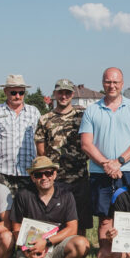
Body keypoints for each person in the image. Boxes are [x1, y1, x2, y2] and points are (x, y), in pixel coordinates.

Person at [79, 67, 130, 258]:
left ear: (122, 83)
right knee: (105, 218)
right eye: (108, 82)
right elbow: (86, 144)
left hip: (128, 171)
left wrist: (119, 162)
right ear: (103, 83)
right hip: (100, 172)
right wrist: (105, 164)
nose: (112, 86)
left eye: (116, 82)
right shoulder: (92, 110)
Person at [8, 156, 91, 258]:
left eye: (48, 173)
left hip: (57, 246)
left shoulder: (66, 195)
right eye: (38, 174)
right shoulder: (23, 195)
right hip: (31, 249)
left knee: (82, 244)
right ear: (32, 177)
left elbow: (72, 228)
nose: (44, 178)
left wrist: (46, 242)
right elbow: (16, 228)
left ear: (55, 174)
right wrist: (26, 249)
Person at [35, 78, 92, 236]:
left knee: (80, 222)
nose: (64, 96)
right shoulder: (45, 119)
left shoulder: (82, 117)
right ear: (55, 94)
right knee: (55, 221)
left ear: (72, 94)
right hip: (56, 179)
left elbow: (90, 143)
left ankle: (79, 249)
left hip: (79, 177)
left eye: (67, 93)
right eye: (60, 92)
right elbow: (41, 150)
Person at [0, 74, 41, 194]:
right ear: (6, 91)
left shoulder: (34, 112)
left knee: (26, 205)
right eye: (13, 93)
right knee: (3, 205)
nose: (18, 96)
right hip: (2, 172)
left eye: (21, 92)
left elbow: (40, 140)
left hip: (28, 172)